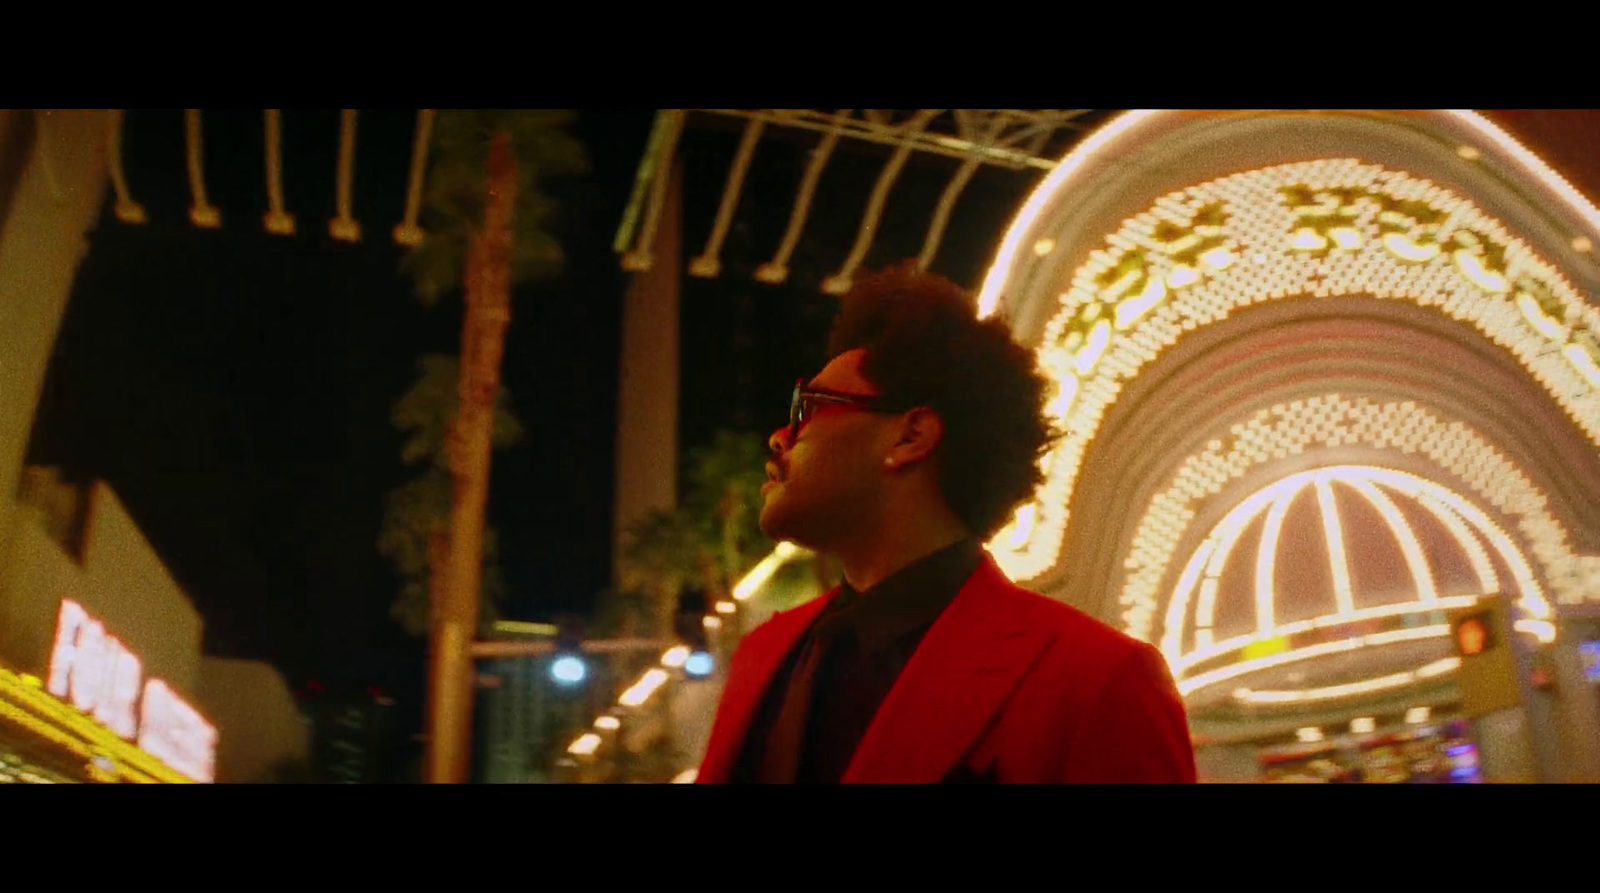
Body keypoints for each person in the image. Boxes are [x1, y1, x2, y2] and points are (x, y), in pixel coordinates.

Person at [695, 263, 1197, 784]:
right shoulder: (764, 655)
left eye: (811, 407)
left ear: (910, 437)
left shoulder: (1099, 680)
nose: (781, 436)